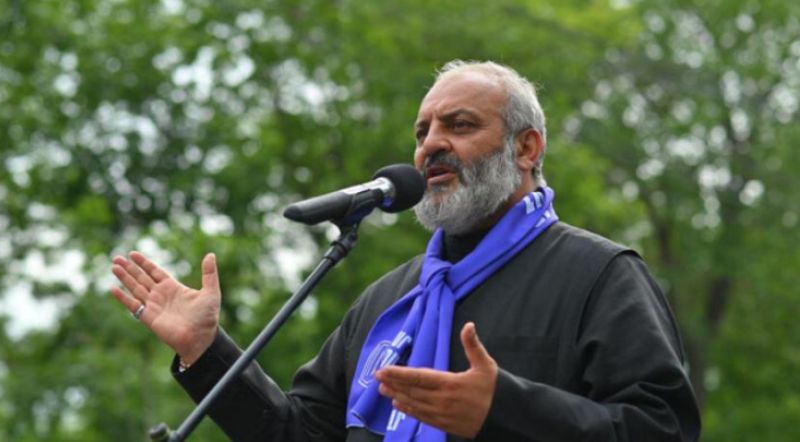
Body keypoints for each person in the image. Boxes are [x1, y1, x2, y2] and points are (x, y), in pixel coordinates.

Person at [111, 60, 700, 441]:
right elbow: (301, 434)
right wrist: (207, 352)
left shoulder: (599, 274)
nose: (431, 145)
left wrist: (502, 408)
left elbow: (662, 428)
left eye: (459, 125)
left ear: (526, 148)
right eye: (423, 132)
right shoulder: (388, 299)